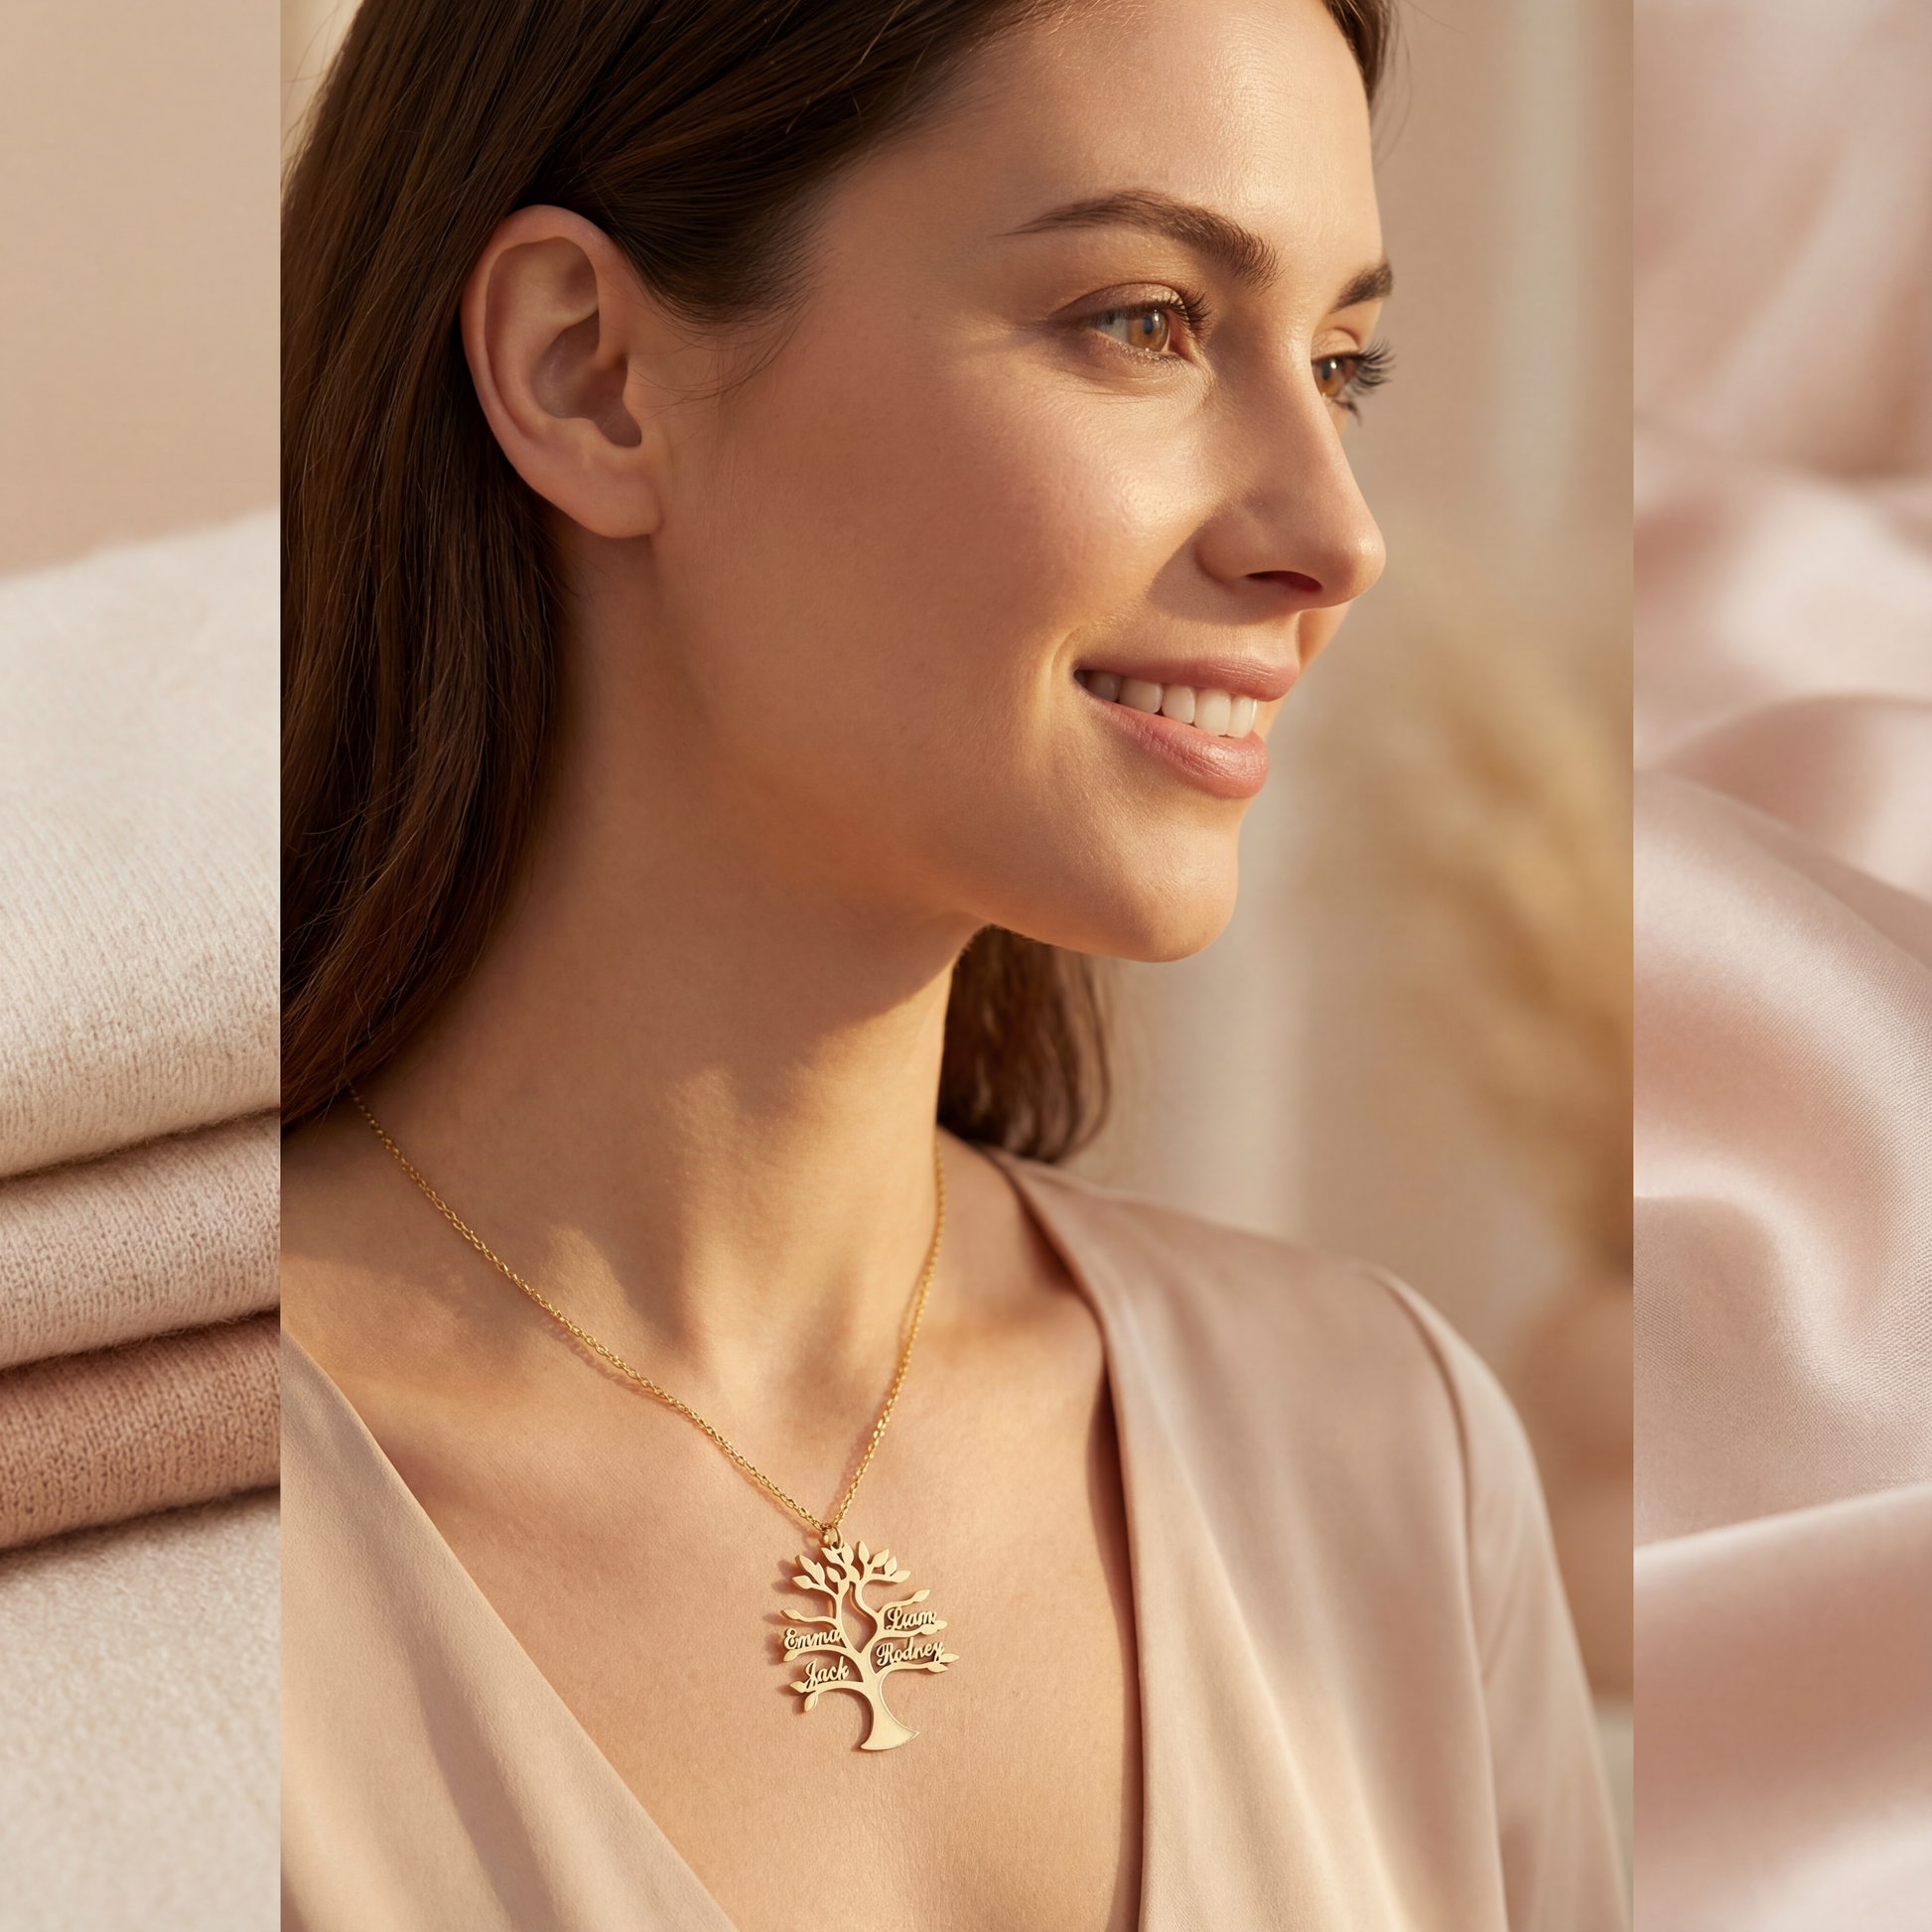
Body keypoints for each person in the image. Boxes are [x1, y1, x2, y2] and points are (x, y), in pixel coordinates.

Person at [279, 0, 1622, 1925]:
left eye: (1343, 363)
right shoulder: (130, 1535)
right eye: (1142, 320)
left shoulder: (1382, 1460)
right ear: (587, 372)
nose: (1333, 531)